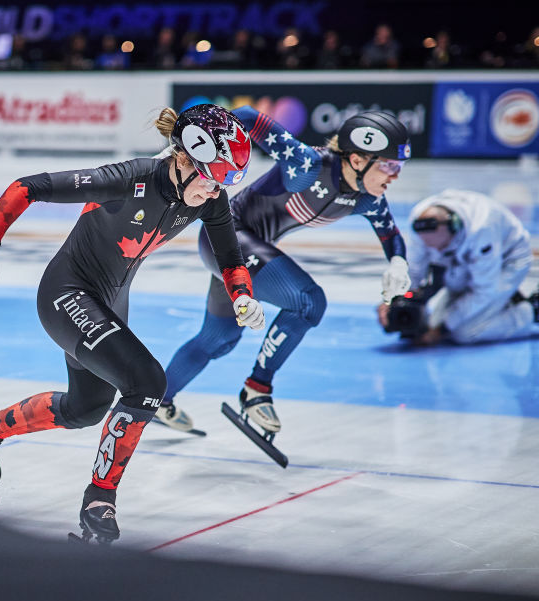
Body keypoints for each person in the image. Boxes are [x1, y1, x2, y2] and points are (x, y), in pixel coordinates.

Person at [0, 104, 265, 542]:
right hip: (67, 294)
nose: (216, 193)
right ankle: (99, 502)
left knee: (86, 409)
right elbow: (28, 187)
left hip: (110, 303)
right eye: (212, 178)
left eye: (225, 182)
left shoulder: (209, 196)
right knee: (147, 383)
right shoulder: (130, 178)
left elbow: (230, 258)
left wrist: (242, 295)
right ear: (182, 159)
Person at [158, 108, 413, 435]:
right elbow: (247, 117)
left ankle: (154, 400)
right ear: (358, 159)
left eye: (400, 167)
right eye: (389, 165)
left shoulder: (368, 199)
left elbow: (391, 234)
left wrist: (398, 262)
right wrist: (185, 146)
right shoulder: (306, 166)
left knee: (219, 339)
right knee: (309, 302)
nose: (395, 176)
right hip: (227, 239)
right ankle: (257, 389)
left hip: (237, 249)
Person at [378, 189, 537, 345]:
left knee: (464, 333)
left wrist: (441, 330)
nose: (437, 252)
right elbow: (414, 269)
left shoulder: (482, 229)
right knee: (433, 321)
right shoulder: (419, 222)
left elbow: (483, 291)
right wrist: (392, 298)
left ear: (455, 227)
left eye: (443, 246)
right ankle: (505, 301)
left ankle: (531, 311)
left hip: (507, 262)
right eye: (431, 248)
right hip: (463, 261)